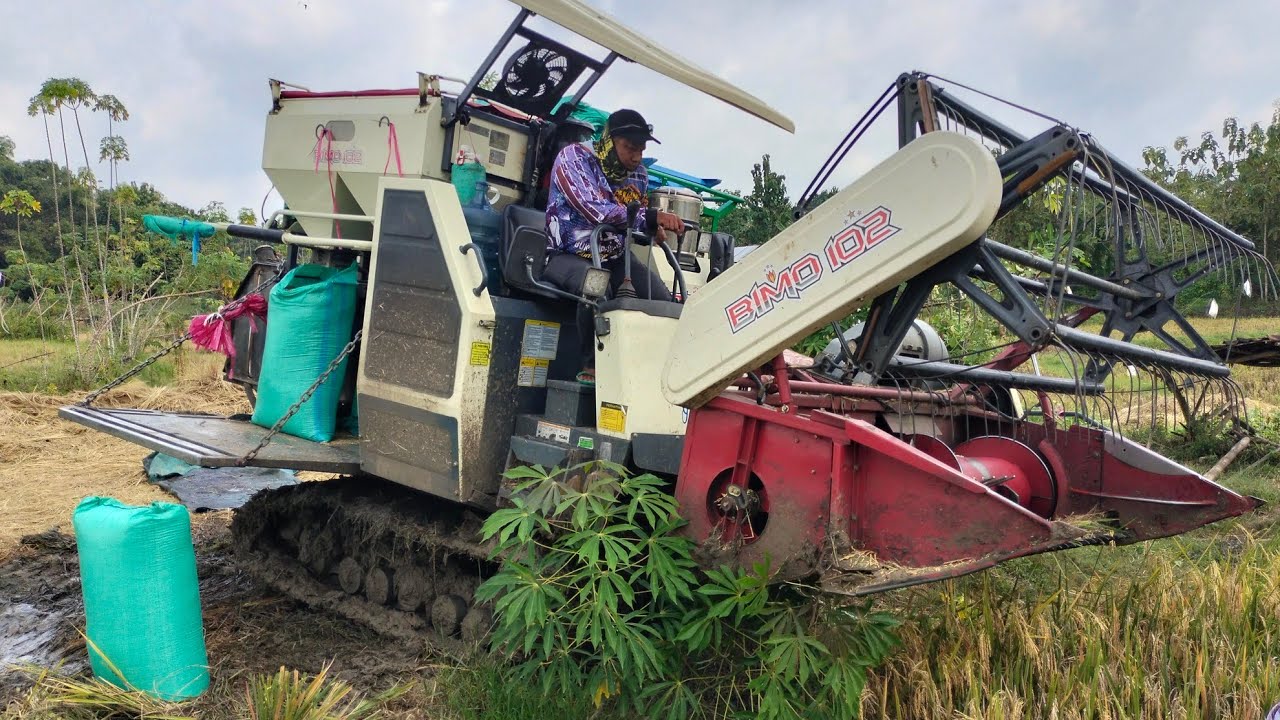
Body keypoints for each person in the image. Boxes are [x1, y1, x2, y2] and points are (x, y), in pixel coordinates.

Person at [543, 108, 685, 384]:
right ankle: (592, 368)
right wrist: (651, 217)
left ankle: (656, 374)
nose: (636, 157)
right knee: (596, 286)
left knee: (663, 300)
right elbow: (595, 210)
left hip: (616, 256)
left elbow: (636, 217)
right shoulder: (574, 159)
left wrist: (652, 228)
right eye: (629, 148)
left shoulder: (639, 175)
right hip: (567, 255)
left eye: (641, 150)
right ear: (609, 140)